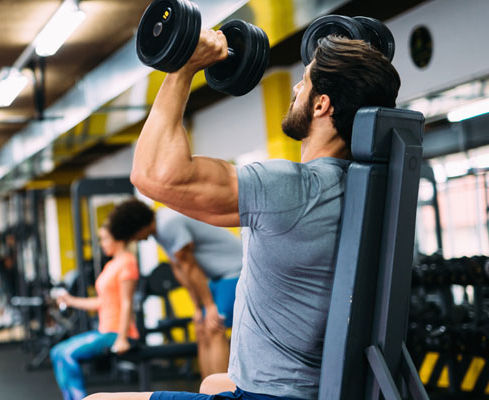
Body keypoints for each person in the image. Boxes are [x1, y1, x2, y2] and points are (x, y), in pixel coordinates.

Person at [85, 27, 400, 400]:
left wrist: (183, 68)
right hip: (319, 385)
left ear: (321, 105)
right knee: (211, 382)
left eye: (304, 82)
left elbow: (152, 173)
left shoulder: (294, 189)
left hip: (272, 396)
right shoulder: (364, 187)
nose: (296, 90)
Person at [111, 199, 242, 378]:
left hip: (236, 271)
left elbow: (190, 266)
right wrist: (197, 307)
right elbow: (179, 269)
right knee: (201, 330)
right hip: (217, 278)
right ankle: (207, 393)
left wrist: (209, 306)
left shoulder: (168, 224)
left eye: (132, 236)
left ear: (137, 227)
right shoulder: (159, 231)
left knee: (214, 327)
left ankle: (221, 395)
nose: (134, 240)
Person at [50, 211, 141, 400]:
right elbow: (102, 302)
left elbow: (127, 302)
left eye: (105, 239)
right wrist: (70, 300)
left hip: (116, 333)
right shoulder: (111, 265)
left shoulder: (127, 262)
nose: (102, 244)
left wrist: (123, 338)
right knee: (56, 351)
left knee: (66, 354)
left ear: (119, 239)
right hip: (105, 329)